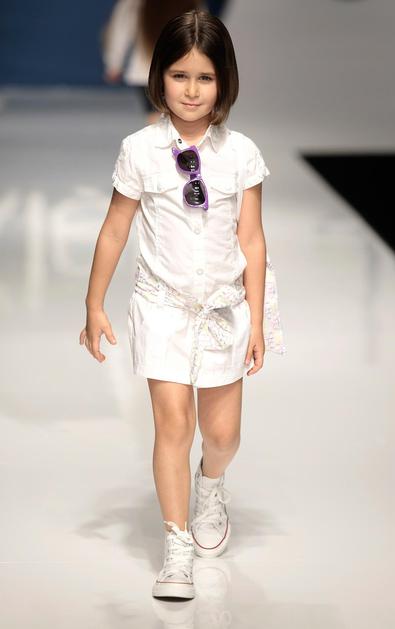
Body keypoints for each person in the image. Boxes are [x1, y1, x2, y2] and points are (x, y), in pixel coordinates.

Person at [80, 9, 285, 600]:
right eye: (179, 76)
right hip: (162, 305)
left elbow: (252, 239)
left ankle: (211, 484)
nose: (191, 91)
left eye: (205, 78)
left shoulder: (241, 153)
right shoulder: (140, 150)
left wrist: (258, 321)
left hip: (223, 309)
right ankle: (176, 545)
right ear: (159, 78)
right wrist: (94, 304)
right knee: (173, 423)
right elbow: (115, 228)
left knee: (223, 435)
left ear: (224, 82)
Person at [101, 0, 202, 124]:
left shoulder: (134, 3)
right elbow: (202, 33)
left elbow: (120, 30)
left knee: (158, 116)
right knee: (175, 116)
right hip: (181, 69)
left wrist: (114, 64)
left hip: (146, 71)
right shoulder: (192, 2)